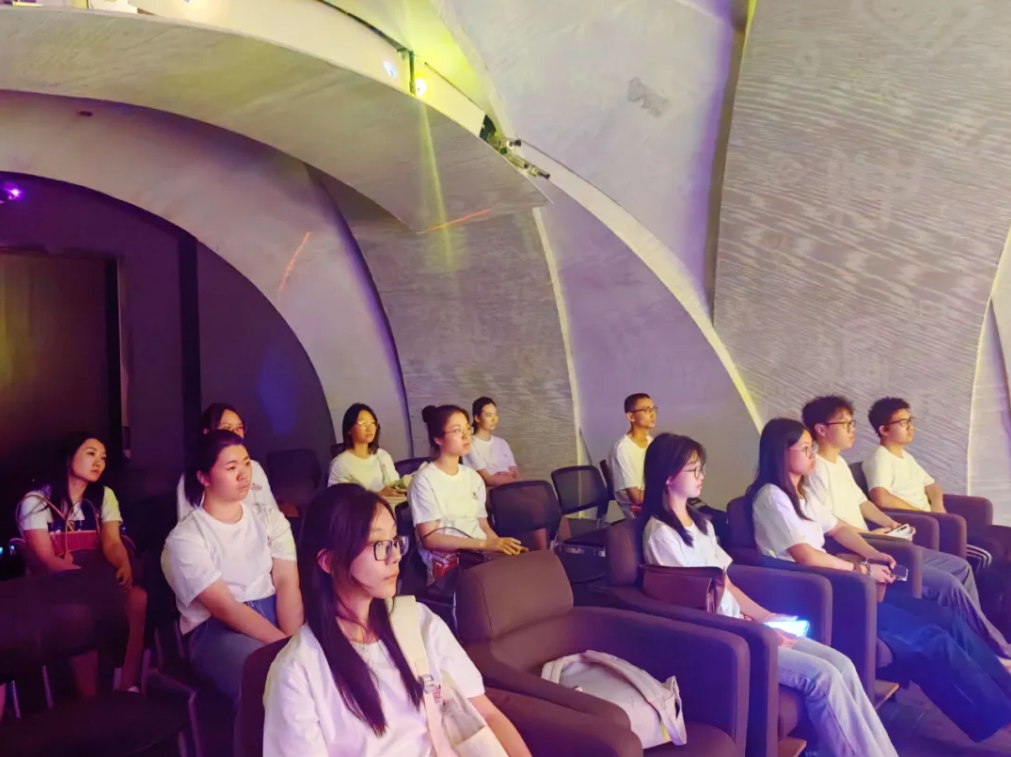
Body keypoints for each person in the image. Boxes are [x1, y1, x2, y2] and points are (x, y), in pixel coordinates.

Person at [748, 418, 1011, 742]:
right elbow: (807, 556)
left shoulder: (800, 493)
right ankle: (1000, 719)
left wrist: (871, 553)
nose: (812, 454)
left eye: (811, 448)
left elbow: (839, 528)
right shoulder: (771, 497)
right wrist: (861, 570)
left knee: (948, 619)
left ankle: (1007, 691)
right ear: (780, 452)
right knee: (931, 639)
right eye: (804, 449)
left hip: (842, 583)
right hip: (820, 593)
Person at [642, 433, 897, 757]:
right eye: (693, 469)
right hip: (726, 639)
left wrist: (766, 617)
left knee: (842, 663)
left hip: (743, 626)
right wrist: (756, 631)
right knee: (823, 677)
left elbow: (725, 584)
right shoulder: (661, 536)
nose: (701, 475)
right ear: (668, 477)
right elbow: (689, 608)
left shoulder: (701, 525)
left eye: (701, 467)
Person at [263, 484, 531, 756]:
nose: (395, 557)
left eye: (394, 541)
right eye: (379, 545)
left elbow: (485, 713)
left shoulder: (418, 622)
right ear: (329, 561)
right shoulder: (297, 671)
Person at [803, 396, 1011, 658]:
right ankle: (992, 650)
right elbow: (832, 526)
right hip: (864, 547)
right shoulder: (816, 470)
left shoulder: (839, 463)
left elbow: (863, 503)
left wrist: (892, 524)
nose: (852, 429)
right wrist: (872, 535)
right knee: (947, 583)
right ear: (821, 429)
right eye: (845, 424)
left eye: (852, 423)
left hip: (877, 540)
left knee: (961, 566)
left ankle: (980, 643)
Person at [161, 430, 302, 705]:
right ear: (204, 477)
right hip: (217, 630)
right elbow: (226, 608)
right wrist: (287, 648)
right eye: (231, 467)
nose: (243, 475)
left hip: (276, 611)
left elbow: (287, 583)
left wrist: (295, 640)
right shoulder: (185, 539)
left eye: (247, 463)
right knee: (272, 680)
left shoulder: (270, 520)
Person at [16, 433, 147, 695]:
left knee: (137, 599)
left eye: (103, 457)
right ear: (69, 457)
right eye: (90, 454)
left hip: (96, 580)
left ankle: (126, 685)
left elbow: (112, 542)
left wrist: (123, 563)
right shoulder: (36, 502)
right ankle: (90, 698)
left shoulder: (103, 497)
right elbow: (45, 559)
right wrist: (83, 581)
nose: (98, 462)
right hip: (55, 586)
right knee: (83, 611)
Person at [863, 397, 1000, 569]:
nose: (910, 427)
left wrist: (937, 505)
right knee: (987, 553)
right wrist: (925, 515)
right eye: (903, 422)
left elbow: (932, 486)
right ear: (884, 430)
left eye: (910, 421)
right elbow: (881, 497)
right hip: (923, 528)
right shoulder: (880, 459)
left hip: (937, 522)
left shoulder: (905, 457)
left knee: (999, 541)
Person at [408, 405, 524, 583]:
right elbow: (430, 539)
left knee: (524, 571)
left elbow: (483, 526)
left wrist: (499, 546)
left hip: (479, 554)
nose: (466, 436)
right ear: (438, 438)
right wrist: (484, 545)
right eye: (457, 430)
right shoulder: (424, 480)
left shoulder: (472, 477)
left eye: (467, 429)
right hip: (450, 563)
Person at [175, 403, 278, 522]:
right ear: (207, 433)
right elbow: (187, 526)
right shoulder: (190, 479)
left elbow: (272, 514)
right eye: (227, 428)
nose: (235, 434)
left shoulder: (255, 468)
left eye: (239, 428)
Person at [327, 403, 400, 496]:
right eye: (363, 423)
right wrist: (379, 495)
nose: (369, 428)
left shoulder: (382, 455)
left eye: (372, 423)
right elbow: (338, 500)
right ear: (349, 429)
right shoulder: (340, 464)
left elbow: (396, 485)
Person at [607, 393, 656, 513]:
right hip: (638, 510)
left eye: (653, 409)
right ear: (631, 417)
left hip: (655, 500)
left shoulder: (652, 442)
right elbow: (636, 498)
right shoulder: (623, 449)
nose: (653, 414)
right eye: (647, 410)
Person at [463, 396, 520, 488]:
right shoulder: (470, 443)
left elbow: (516, 473)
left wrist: (518, 484)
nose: (494, 419)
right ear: (477, 418)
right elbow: (487, 479)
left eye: (496, 414)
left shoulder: (502, 443)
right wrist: (511, 479)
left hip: (512, 490)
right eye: (489, 415)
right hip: (489, 493)